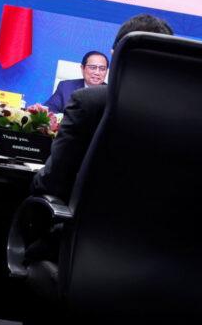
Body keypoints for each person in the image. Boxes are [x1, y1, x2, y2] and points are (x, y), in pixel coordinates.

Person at [31, 14, 174, 200]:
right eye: (92, 68)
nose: (97, 73)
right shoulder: (189, 114)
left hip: (81, 222)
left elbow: (52, 181)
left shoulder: (89, 102)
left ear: (114, 55)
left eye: (101, 68)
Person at [44, 51, 109, 113]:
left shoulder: (112, 94)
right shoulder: (65, 87)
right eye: (92, 67)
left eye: (102, 69)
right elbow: (50, 110)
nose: (97, 72)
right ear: (82, 68)